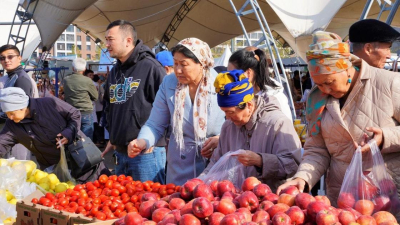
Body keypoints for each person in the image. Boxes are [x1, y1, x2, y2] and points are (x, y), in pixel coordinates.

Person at [277, 31, 400, 209]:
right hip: (343, 199)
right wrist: (302, 177)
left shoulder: (389, 83)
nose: (325, 90)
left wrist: (386, 138)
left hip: (387, 196)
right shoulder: (317, 99)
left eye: (330, 81)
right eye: (319, 84)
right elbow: (317, 148)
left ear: (345, 68)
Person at [126, 38, 225, 185]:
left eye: (184, 65)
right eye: (175, 63)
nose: (177, 70)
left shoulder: (221, 85)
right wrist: (142, 141)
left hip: (214, 165)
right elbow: (155, 123)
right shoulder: (169, 83)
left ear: (202, 64)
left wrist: (220, 139)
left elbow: (235, 124)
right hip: (180, 165)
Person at [201, 70, 301, 192]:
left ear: (249, 105)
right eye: (224, 112)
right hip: (235, 200)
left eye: (231, 112)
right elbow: (216, 163)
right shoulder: (228, 127)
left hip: (270, 201)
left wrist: (260, 160)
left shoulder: (277, 123)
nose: (227, 117)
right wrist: (201, 181)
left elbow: (293, 165)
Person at [102, 20, 166, 183]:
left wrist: (156, 140)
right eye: (106, 40)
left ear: (128, 40)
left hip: (146, 154)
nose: (107, 44)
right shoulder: (115, 71)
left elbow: (168, 107)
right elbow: (109, 107)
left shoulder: (151, 67)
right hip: (120, 153)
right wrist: (113, 136)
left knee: (150, 204)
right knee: (125, 206)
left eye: (111, 39)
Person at [0, 87, 110, 181]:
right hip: (54, 170)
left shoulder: (49, 103)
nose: (10, 117)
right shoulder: (12, 125)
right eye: (7, 114)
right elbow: (2, 143)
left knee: (99, 189)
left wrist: (68, 133)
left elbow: (74, 114)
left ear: (22, 107)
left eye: (12, 113)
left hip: (81, 158)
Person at [228, 48, 293, 121]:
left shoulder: (276, 98)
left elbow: (285, 128)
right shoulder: (237, 98)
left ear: (248, 73)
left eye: (232, 75)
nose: (229, 81)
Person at [0, 44, 39, 160]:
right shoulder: (11, 77)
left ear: (19, 58)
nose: (6, 60)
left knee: (17, 168)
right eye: (2, 58)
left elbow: (19, 113)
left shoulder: (21, 79)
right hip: (13, 132)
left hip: (18, 133)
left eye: (10, 57)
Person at [63, 58, 98, 140]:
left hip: (71, 112)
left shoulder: (66, 80)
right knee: (87, 140)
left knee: (73, 138)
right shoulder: (87, 80)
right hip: (86, 112)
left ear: (73, 68)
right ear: (84, 69)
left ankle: (74, 153)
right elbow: (95, 97)